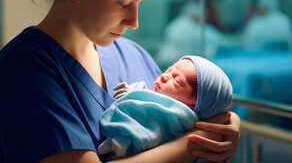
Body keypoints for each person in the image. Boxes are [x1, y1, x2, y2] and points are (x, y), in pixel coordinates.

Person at [0, 0, 241, 162]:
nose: (134, 21)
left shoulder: (131, 55)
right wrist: (195, 144)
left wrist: (224, 121)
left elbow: (180, 116)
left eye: (140, 3)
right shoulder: (26, 68)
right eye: (123, 3)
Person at [98, 55, 233, 161]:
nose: (164, 76)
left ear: (192, 105)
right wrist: (136, 91)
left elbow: (152, 129)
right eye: (168, 70)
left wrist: (136, 94)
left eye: (176, 80)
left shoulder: (178, 118)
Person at [155, 2, 229, 68]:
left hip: (169, 60)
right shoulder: (190, 26)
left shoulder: (175, 24)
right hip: (175, 60)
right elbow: (219, 40)